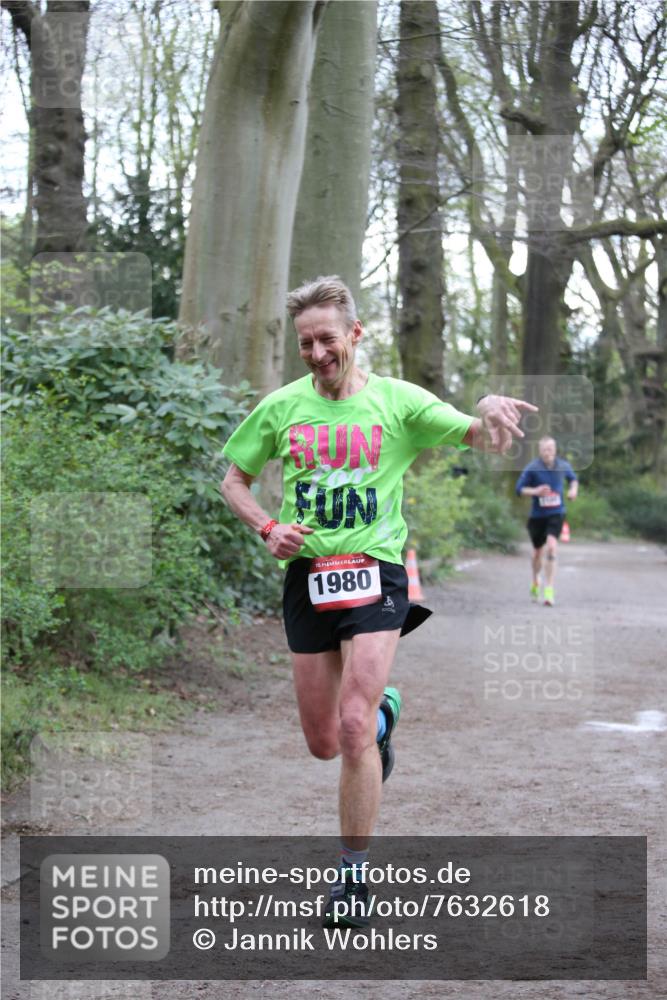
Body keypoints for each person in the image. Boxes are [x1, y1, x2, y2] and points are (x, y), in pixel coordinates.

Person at [220, 275, 537, 927]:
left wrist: (484, 406)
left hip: (374, 574)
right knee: (322, 743)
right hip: (308, 577)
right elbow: (234, 479)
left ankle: (352, 879)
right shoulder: (280, 408)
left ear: (355, 336)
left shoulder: (397, 403)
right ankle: (387, 713)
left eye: (326, 339)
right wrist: (267, 526)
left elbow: (476, 434)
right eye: (305, 343)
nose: (315, 353)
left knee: (352, 725)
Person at [515, 436, 578, 606]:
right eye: (545, 449)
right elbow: (519, 489)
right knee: (537, 553)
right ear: (540, 451)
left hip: (556, 513)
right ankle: (536, 579)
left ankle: (549, 590)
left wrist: (573, 491)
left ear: (555, 450)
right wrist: (535, 491)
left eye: (551, 449)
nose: (548, 452)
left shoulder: (563, 465)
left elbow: (573, 479)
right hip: (537, 516)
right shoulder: (532, 468)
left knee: (551, 547)